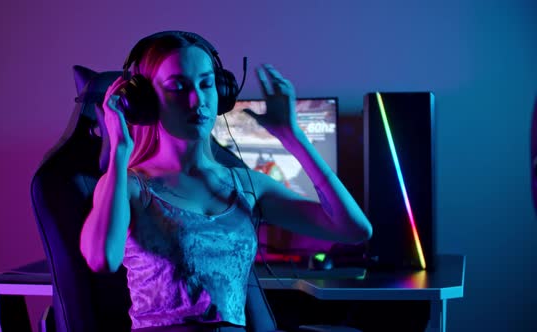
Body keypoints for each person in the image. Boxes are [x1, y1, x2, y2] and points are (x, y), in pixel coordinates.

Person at [79, 31, 372, 332]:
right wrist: (118, 153)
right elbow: (102, 259)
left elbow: (353, 229)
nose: (198, 101)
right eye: (178, 87)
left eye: (207, 84)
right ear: (146, 101)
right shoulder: (130, 185)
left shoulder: (246, 185)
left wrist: (292, 137)